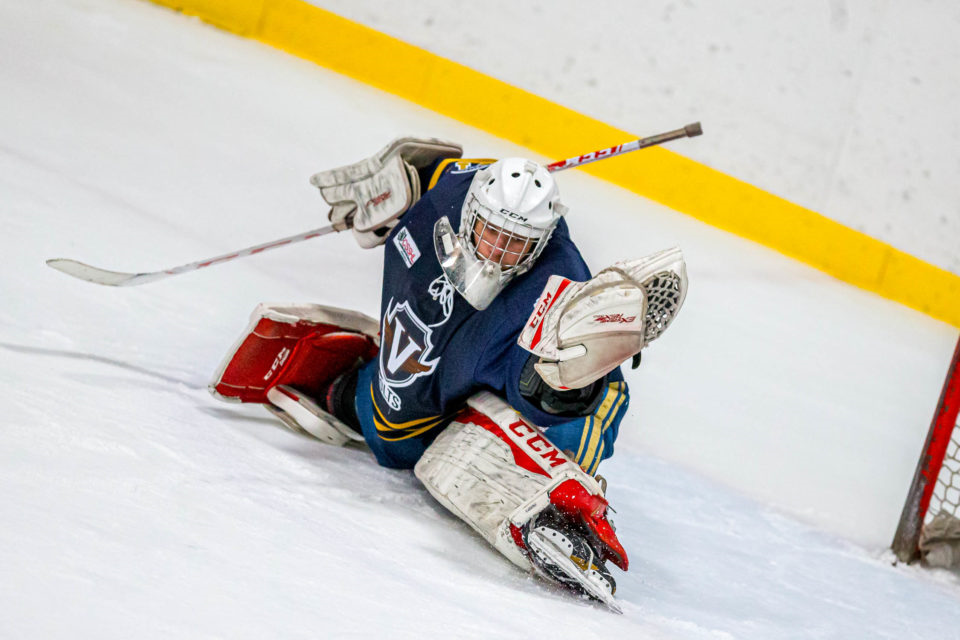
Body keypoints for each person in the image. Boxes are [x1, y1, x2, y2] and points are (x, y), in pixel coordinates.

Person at [209, 137, 687, 606]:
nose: (498, 252)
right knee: (400, 426)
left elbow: (544, 391)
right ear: (471, 213)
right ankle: (351, 395)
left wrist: (569, 376)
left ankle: (557, 502)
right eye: (492, 232)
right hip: (426, 392)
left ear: (540, 241)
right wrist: (400, 179)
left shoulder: (550, 277)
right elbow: (432, 170)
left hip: (470, 370)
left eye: (517, 243)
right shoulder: (450, 193)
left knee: (570, 389)